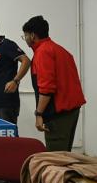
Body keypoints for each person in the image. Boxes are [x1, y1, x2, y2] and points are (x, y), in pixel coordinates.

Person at [22, 16, 86, 151]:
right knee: (64, 154)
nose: (25, 38)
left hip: (58, 113)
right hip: (71, 110)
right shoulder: (60, 50)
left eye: (25, 35)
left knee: (55, 157)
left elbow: (47, 89)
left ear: (32, 35)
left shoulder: (43, 52)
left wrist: (39, 114)